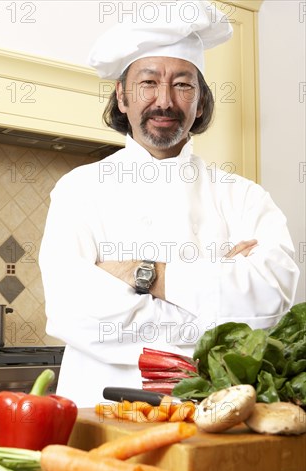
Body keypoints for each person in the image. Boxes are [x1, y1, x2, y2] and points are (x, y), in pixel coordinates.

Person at [39, 1, 299, 407]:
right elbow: (74, 312)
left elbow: (271, 301)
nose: (165, 101)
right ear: (122, 97)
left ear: (199, 104)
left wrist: (148, 276)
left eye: (183, 84)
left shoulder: (244, 195)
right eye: (148, 83)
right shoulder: (79, 190)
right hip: (100, 411)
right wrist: (215, 303)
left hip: (214, 411)